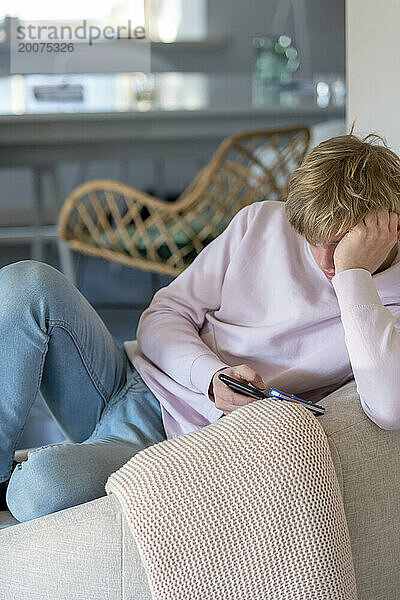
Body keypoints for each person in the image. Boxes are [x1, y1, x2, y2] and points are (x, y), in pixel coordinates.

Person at [1, 132, 400, 522]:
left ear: (390, 229)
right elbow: (163, 314)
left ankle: (54, 465)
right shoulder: (262, 222)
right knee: (26, 283)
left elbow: (389, 408)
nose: (326, 259)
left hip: (168, 435)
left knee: (36, 490)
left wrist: (354, 275)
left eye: (342, 243)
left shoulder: (385, 299)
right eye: (317, 241)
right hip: (127, 376)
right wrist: (211, 377)